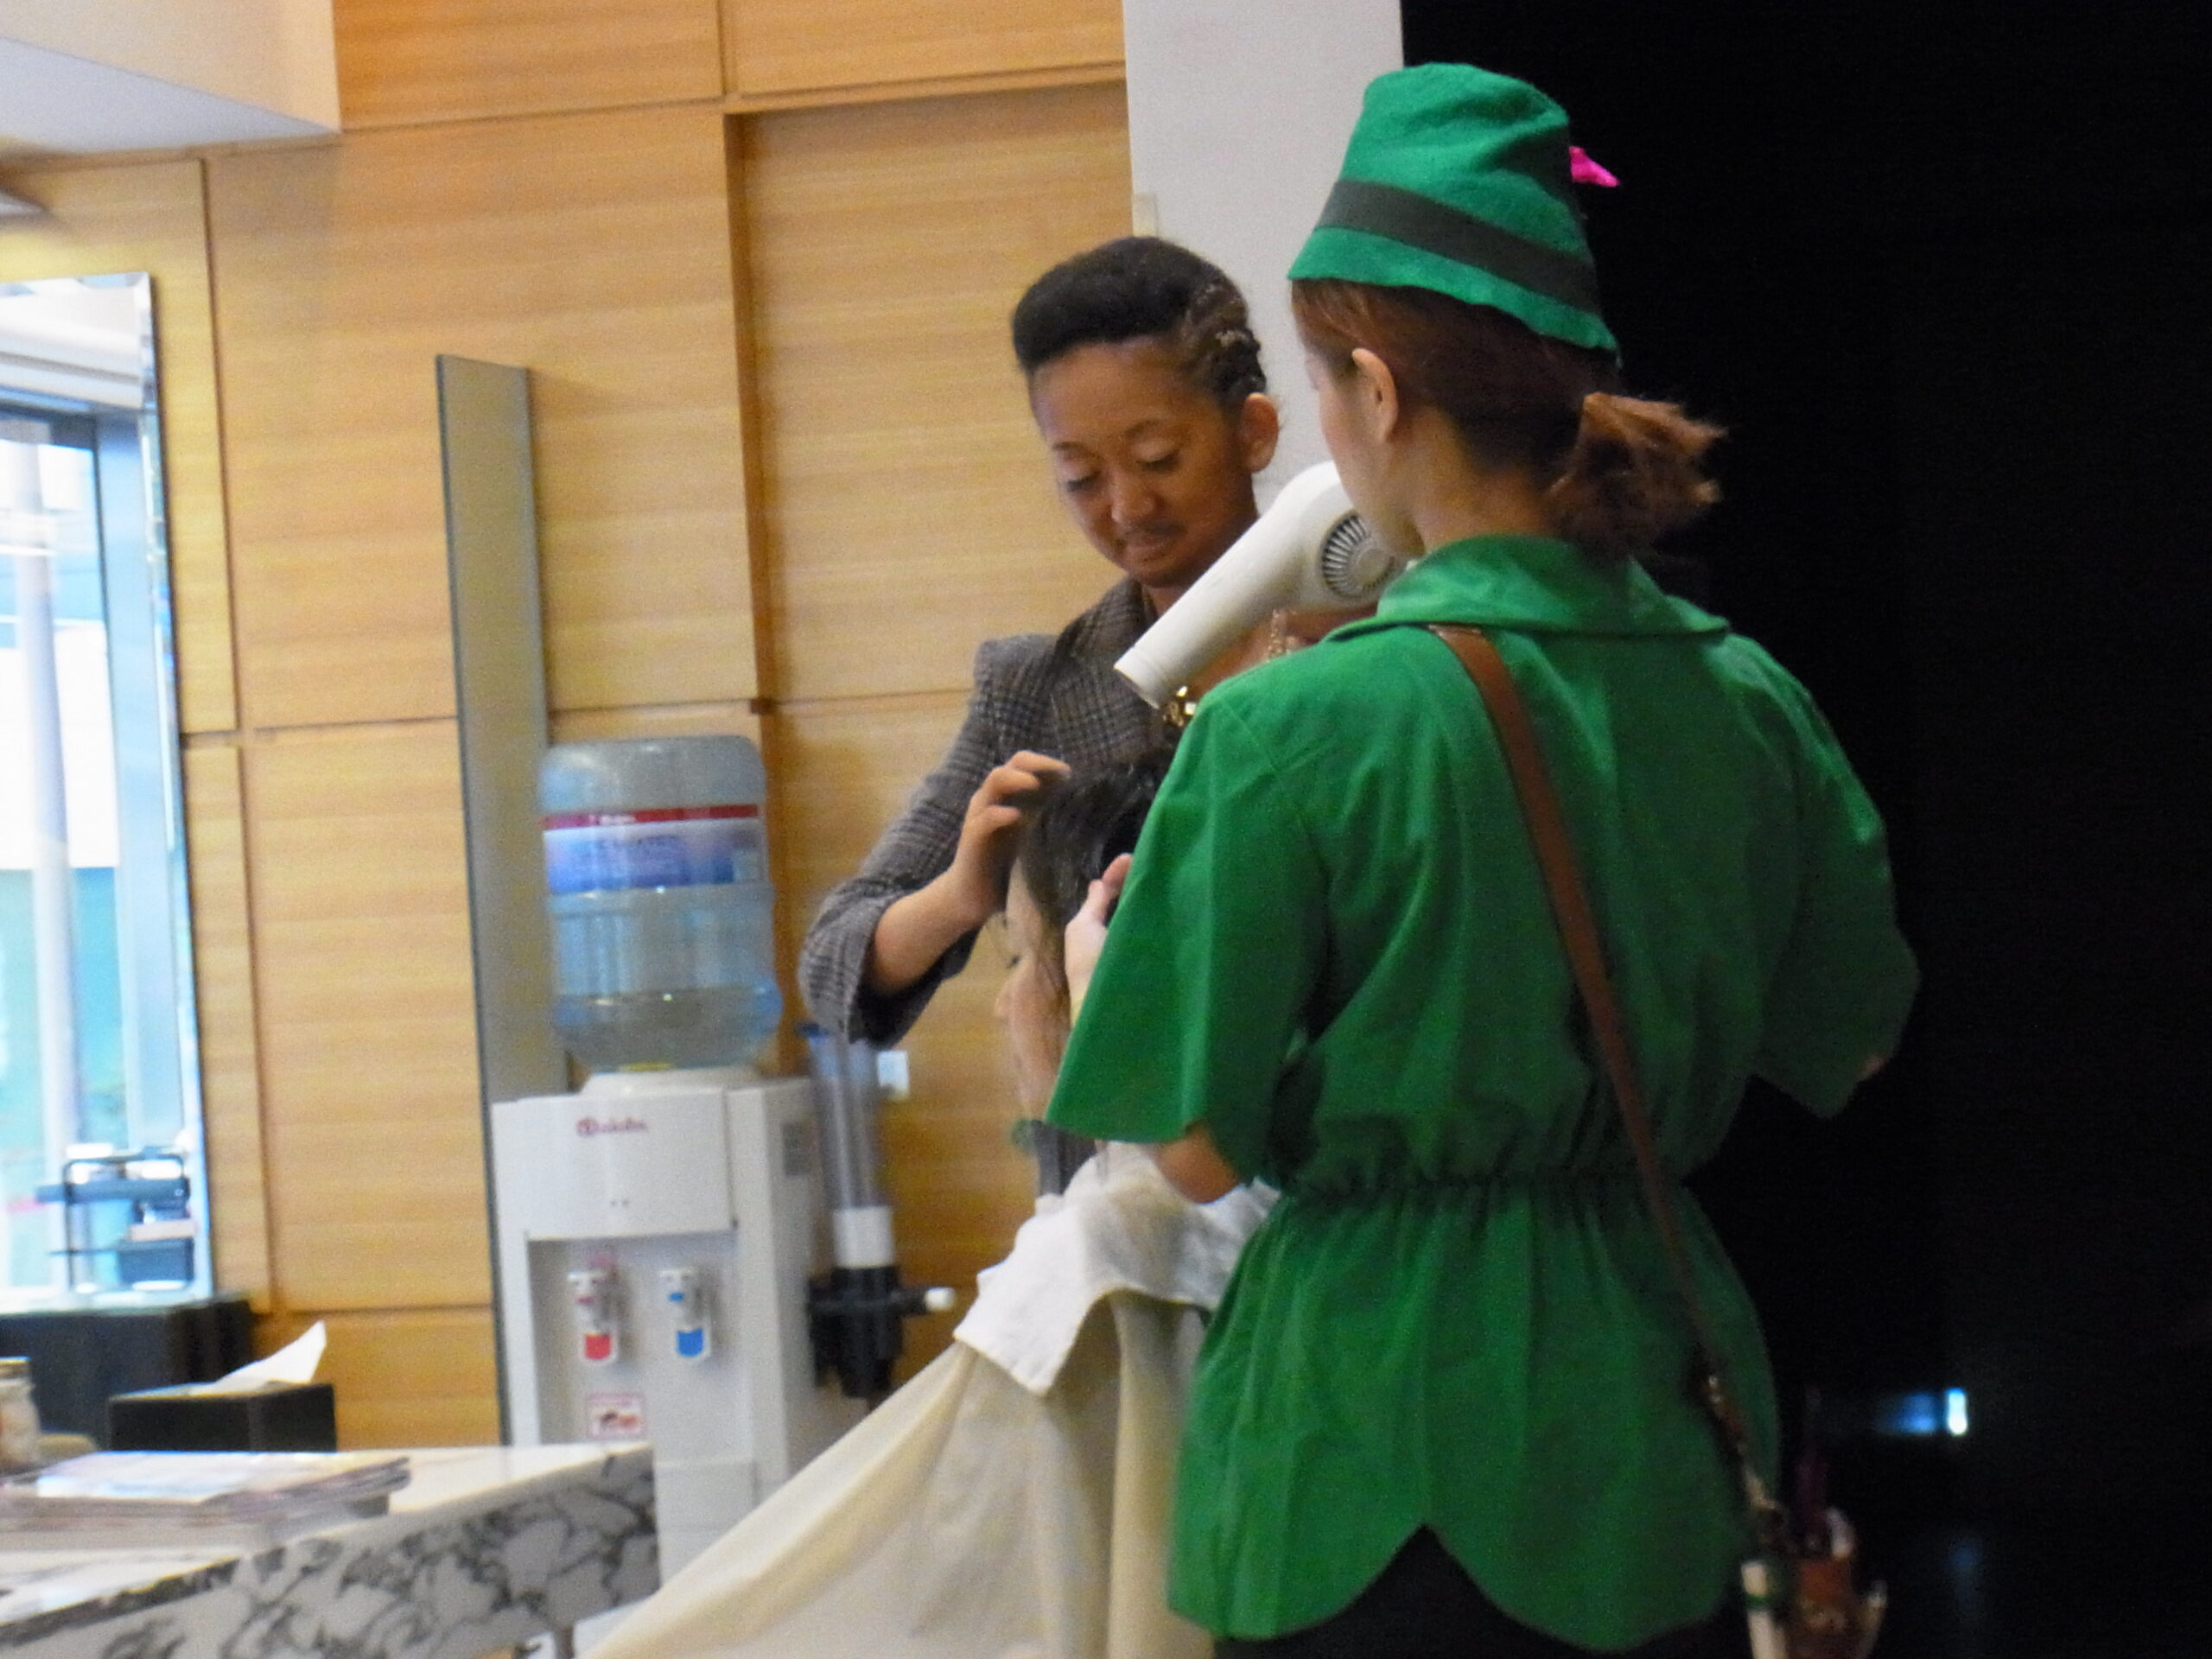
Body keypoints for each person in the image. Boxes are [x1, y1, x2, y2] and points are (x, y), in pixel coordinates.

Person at [1046, 63, 1918, 1659]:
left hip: (1366, 1451)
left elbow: (1193, 1148)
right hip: (1654, 1431)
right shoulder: (1744, 696)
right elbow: (1846, 1045)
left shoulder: (1292, 729)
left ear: (1376, 393)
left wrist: (1106, 967)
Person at [594, 759, 1268, 1659]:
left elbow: (906, 1599)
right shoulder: (1307, 1216)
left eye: (1019, 959)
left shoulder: (1092, 1260)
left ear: (1110, 975)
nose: (1002, 1006)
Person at [799, 238, 1281, 1045]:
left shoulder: (1363, 636)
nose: (1126, 506)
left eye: (1158, 458)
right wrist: (962, 893)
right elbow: (834, 970)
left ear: (1253, 432)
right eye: (1082, 477)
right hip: (1122, 1119)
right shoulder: (1038, 688)